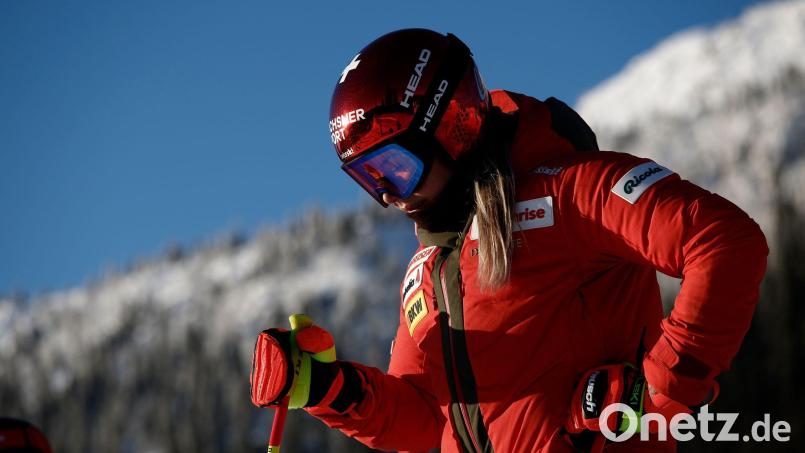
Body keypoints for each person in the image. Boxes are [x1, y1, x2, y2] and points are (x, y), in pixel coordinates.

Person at [250, 29, 768, 452]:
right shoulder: (426, 273)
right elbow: (426, 419)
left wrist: (659, 396)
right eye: (369, 179)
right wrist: (323, 387)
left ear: (450, 126)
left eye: (394, 169)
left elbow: (724, 242)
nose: (388, 196)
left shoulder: (566, 192)